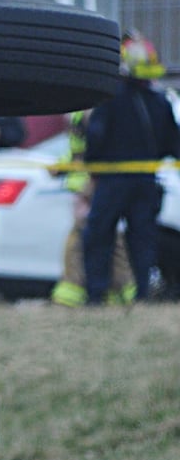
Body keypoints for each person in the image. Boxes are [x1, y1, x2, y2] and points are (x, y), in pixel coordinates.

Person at [79, 33, 180, 304]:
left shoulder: (110, 98)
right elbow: (173, 143)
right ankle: (143, 293)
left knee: (100, 236)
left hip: (113, 180)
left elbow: (96, 137)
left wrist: (92, 166)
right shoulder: (160, 102)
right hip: (146, 180)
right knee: (142, 240)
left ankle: (96, 295)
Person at [52, 108, 138, 307]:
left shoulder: (95, 110)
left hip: (91, 186)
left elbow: (97, 149)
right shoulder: (84, 109)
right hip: (90, 184)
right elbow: (79, 151)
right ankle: (119, 291)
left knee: (85, 241)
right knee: (103, 240)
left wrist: (92, 184)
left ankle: (74, 292)